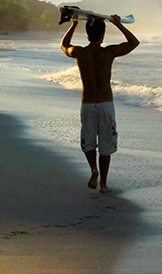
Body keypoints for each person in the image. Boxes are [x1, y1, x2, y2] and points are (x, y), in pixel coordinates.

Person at [60, 14, 139, 193]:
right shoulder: (108, 52)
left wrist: (73, 25)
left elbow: (64, 46)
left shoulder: (80, 53)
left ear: (87, 33)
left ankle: (93, 170)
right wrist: (118, 24)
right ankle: (103, 185)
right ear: (102, 34)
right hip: (105, 104)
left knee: (88, 142)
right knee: (106, 144)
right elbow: (134, 43)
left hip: (87, 103)